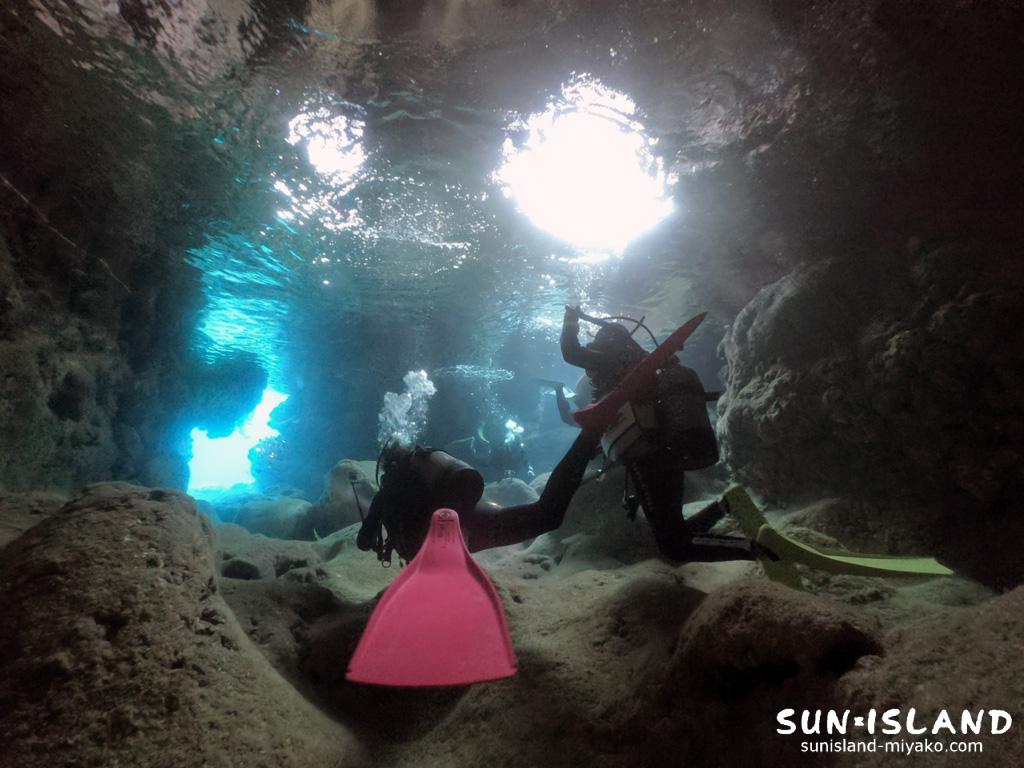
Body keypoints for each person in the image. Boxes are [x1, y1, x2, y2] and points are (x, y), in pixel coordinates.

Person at [559, 305, 759, 563]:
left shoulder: (608, 357)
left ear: (606, 341)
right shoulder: (639, 357)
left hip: (646, 454)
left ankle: (760, 550)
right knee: (674, 530)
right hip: (663, 445)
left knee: (674, 547)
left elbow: (570, 352)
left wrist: (570, 319)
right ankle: (729, 506)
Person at [357, 430, 599, 564]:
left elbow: (363, 542)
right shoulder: (427, 475)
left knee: (546, 516)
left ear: (387, 466)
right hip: (470, 524)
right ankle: (590, 436)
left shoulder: (385, 494)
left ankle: (590, 435)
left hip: (441, 545)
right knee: (546, 515)